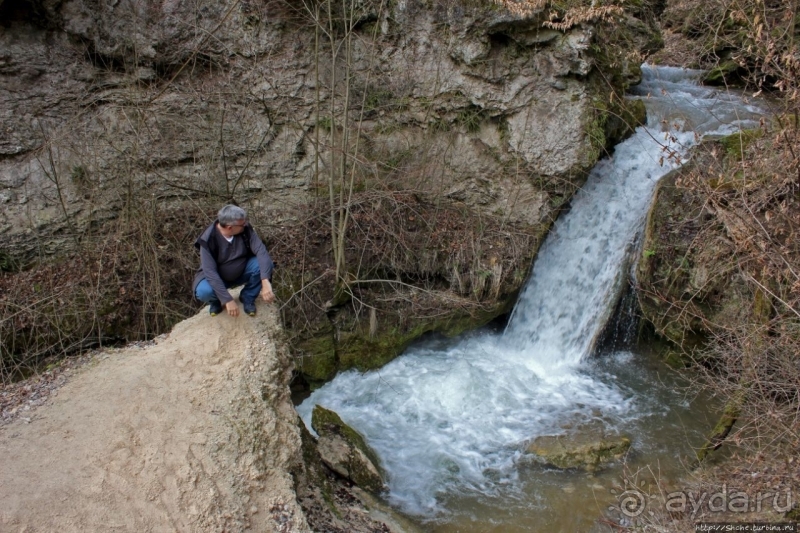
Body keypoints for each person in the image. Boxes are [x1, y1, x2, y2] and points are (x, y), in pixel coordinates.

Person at [192, 205, 275, 317]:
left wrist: (265, 281)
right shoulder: (208, 239)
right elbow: (210, 272)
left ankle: (248, 296)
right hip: (218, 276)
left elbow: (261, 252)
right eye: (242, 224)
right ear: (230, 227)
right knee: (203, 291)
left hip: (243, 269)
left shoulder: (245, 230)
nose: (245, 225)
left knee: (265, 263)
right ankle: (216, 301)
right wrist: (227, 300)